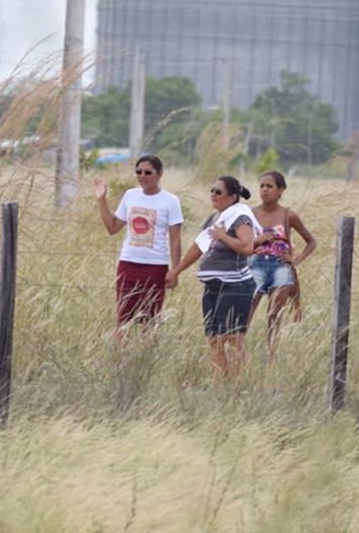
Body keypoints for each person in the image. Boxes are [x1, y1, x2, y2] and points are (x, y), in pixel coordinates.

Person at [166, 176, 258, 387]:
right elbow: (198, 248)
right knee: (215, 339)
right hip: (213, 285)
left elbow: (247, 247)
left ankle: (237, 388)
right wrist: (176, 271)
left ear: (233, 197)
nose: (213, 195)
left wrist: (224, 236)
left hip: (235, 285)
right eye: (212, 190)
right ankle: (218, 387)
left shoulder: (240, 216)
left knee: (232, 339)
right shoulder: (215, 217)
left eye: (218, 191)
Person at [94, 155, 183, 343]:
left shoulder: (170, 200)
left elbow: (175, 240)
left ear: (159, 174)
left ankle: (146, 361)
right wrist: (101, 199)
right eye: (139, 172)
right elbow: (112, 228)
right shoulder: (130, 195)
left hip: (155, 266)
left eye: (148, 172)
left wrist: (175, 271)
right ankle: (120, 361)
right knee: (123, 318)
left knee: (150, 320)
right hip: (128, 264)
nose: (143, 176)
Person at [248, 170, 316, 354]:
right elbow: (243, 243)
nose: (264, 190)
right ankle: (238, 351)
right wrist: (257, 241)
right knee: (247, 310)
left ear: (280, 190)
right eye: (262, 186)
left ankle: (272, 355)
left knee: (275, 315)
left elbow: (311, 242)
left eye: (270, 186)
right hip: (255, 265)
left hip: (281, 268)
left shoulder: (288, 215)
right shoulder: (250, 213)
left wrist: (295, 260)